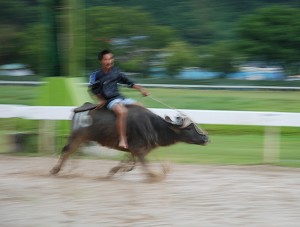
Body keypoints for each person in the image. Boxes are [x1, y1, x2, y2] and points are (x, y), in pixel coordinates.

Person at [89, 49, 149, 149]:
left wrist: (141, 89)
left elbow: (129, 82)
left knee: (142, 108)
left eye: (110, 59)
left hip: (120, 98)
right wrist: (101, 100)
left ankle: (142, 134)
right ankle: (122, 138)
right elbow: (93, 90)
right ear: (101, 61)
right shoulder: (95, 75)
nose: (109, 61)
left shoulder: (116, 71)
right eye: (106, 59)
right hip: (109, 100)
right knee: (122, 112)